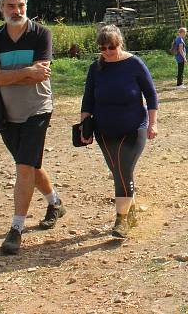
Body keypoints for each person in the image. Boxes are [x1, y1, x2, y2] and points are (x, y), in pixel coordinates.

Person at [0, 0, 64, 255]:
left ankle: (16, 229)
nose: (17, 11)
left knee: (23, 167)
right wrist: (27, 71)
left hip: (37, 109)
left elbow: (42, 75)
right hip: (7, 113)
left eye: (21, 5)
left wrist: (10, 74)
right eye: (11, 6)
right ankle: (55, 202)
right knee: (30, 164)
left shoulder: (41, 33)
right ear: (1, 9)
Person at [80, 25, 158, 238]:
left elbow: (151, 95)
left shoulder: (134, 64)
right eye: (103, 47)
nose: (107, 51)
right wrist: (84, 126)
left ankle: (120, 220)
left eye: (111, 47)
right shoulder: (96, 68)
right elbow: (88, 99)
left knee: (122, 170)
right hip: (104, 130)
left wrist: (153, 124)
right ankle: (130, 209)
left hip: (134, 128)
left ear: (120, 44)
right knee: (119, 172)